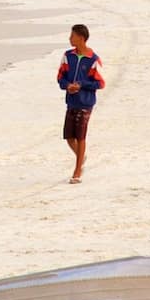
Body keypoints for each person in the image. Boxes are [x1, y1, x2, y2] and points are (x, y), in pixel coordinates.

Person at [57, 24, 106, 184]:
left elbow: (100, 83)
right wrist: (67, 86)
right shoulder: (67, 56)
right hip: (71, 102)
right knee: (69, 137)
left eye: (72, 36)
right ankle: (81, 157)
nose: (70, 39)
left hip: (86, 103)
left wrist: (81, 85)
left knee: (80, 136)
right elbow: (60, 77)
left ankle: (77, 171)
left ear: (81, 38)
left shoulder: (93, 59)